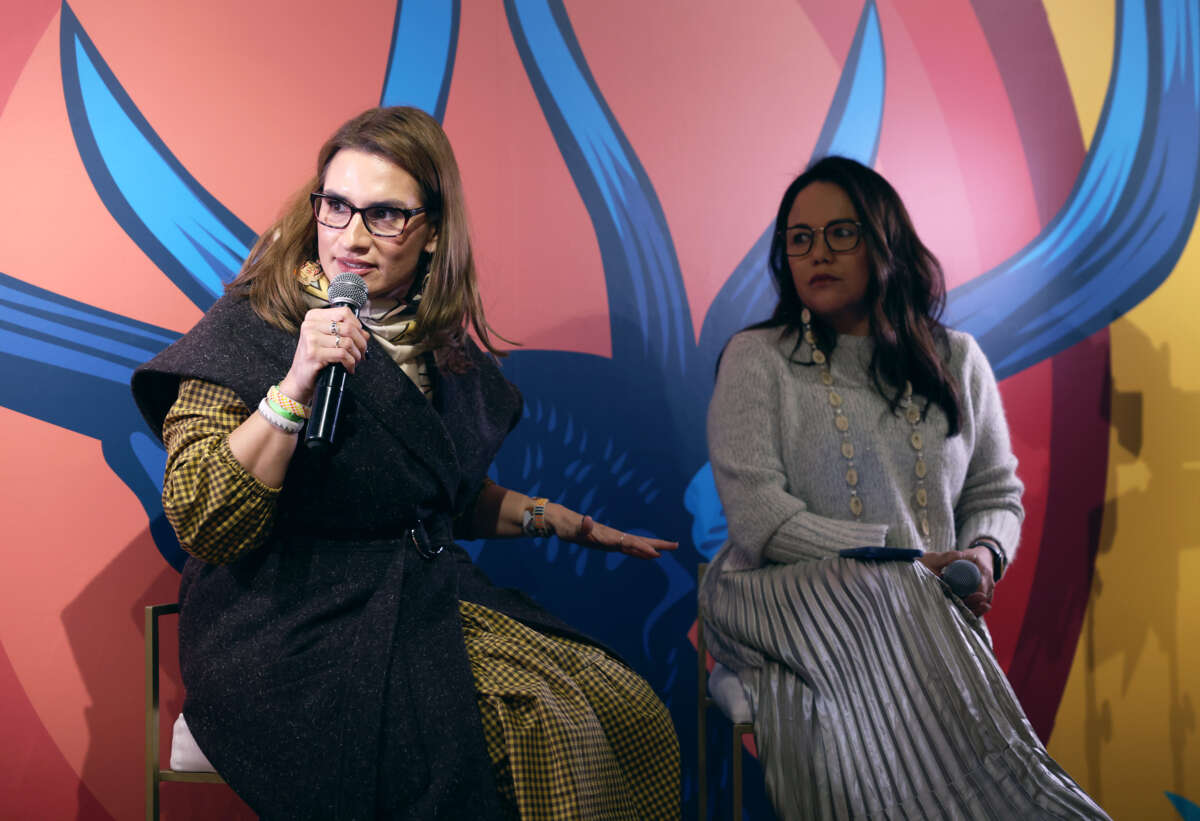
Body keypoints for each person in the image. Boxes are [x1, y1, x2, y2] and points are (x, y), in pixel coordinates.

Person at [132, 106, 680, 820]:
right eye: (336, 206)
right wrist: (295, 384)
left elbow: (433, 495)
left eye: (385, 214)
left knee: (627, 704)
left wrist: (556, 520)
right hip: (281, 624)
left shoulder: (440, 347)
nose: (352, 238)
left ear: (431, 233)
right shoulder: (248, 332)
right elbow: (206, 519)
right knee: (531, 724)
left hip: (415, 596)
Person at [698, 156, 1108, 819]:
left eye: (840, 233)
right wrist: (900, 558)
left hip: (917, 606)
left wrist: (981, 556)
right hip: (780, 593)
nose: (816, 253)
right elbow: (759, 520)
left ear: (883, 241)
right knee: (851, 713)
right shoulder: (759, 358)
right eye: (798, 238)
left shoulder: (957, 360)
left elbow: (996, 495)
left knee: (921, 716)